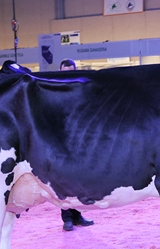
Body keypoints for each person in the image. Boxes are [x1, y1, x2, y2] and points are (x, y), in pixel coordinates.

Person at [58, 58, 94, 231]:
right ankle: (66, 218)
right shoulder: (55, 91)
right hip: (61, 140)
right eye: (65, 71)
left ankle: (77, 215)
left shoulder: (81, 90)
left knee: (78, 180)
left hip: (78, 140)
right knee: (62, 181)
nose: (68, 75)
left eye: (71, 71)